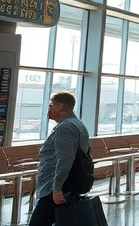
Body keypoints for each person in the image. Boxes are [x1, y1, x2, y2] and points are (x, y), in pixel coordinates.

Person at [28, 92, 90, 226]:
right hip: (70, 184)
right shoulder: (78, 125)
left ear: (60, 107)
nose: (48, 109)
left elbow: (65, 159)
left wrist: (56, 189)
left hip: (56, 188)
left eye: (51, 105)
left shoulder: (65, 128)